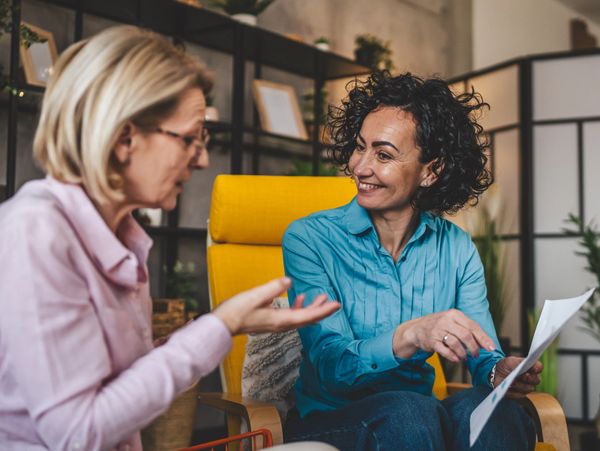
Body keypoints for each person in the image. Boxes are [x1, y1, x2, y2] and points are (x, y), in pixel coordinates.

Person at [0, 26, 341, 451]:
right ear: (125, 137)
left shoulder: (122, 239)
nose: (200, 159)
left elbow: (124, 386)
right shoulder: (35, 234)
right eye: (190, 138)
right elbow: (78, 434)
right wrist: (222, 324)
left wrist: (231, 327)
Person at [282, 72, 542, 451]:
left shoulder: (455, 248)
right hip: (331, 419)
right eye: (360, 147)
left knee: (497, 409)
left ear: (430, 171)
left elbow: (482, 355)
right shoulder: (310, 238)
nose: (360, 167)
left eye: (383, 155)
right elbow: (333, 367)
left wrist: (498, 373)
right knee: (409, 411)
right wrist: (411, 335)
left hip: (418, 419)